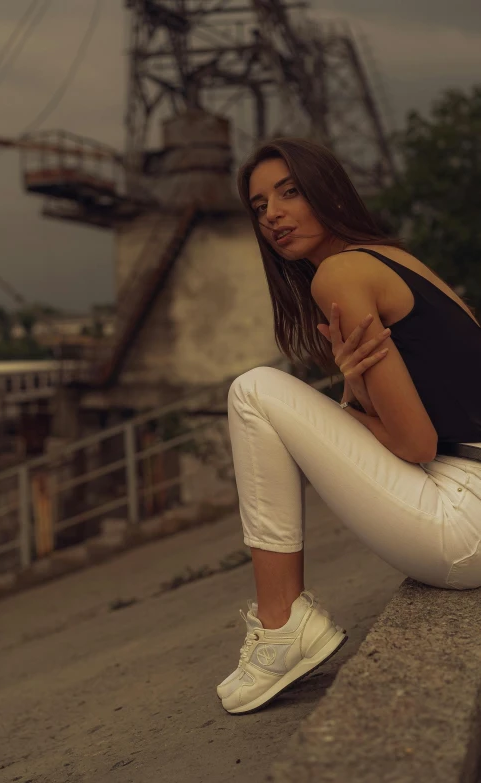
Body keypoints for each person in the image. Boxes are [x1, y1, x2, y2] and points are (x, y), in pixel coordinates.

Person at [217, 137, 481, 715]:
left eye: (289, 193)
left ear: (327, 190)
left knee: (253, 391)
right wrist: (354, 391)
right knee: (278, 398)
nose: (274, 216)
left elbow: (415, 443)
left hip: (466, 519)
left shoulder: (338, 275)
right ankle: (282, 624)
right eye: (260, 207)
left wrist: (342, 414)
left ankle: (281, 623)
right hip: (470, 497)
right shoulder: (393, 258)